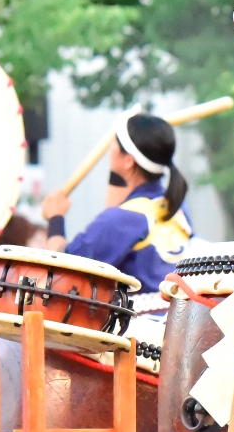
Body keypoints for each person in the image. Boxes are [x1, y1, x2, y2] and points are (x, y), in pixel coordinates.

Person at [40, 111, 192, 315]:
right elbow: (116, 200)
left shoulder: (123, 219)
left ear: (128, 161)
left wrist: (55, 217)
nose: (110, 147)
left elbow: (62, 270)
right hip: (180, 322)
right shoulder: (176, 205)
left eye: (115, 143)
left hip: (145, 333)